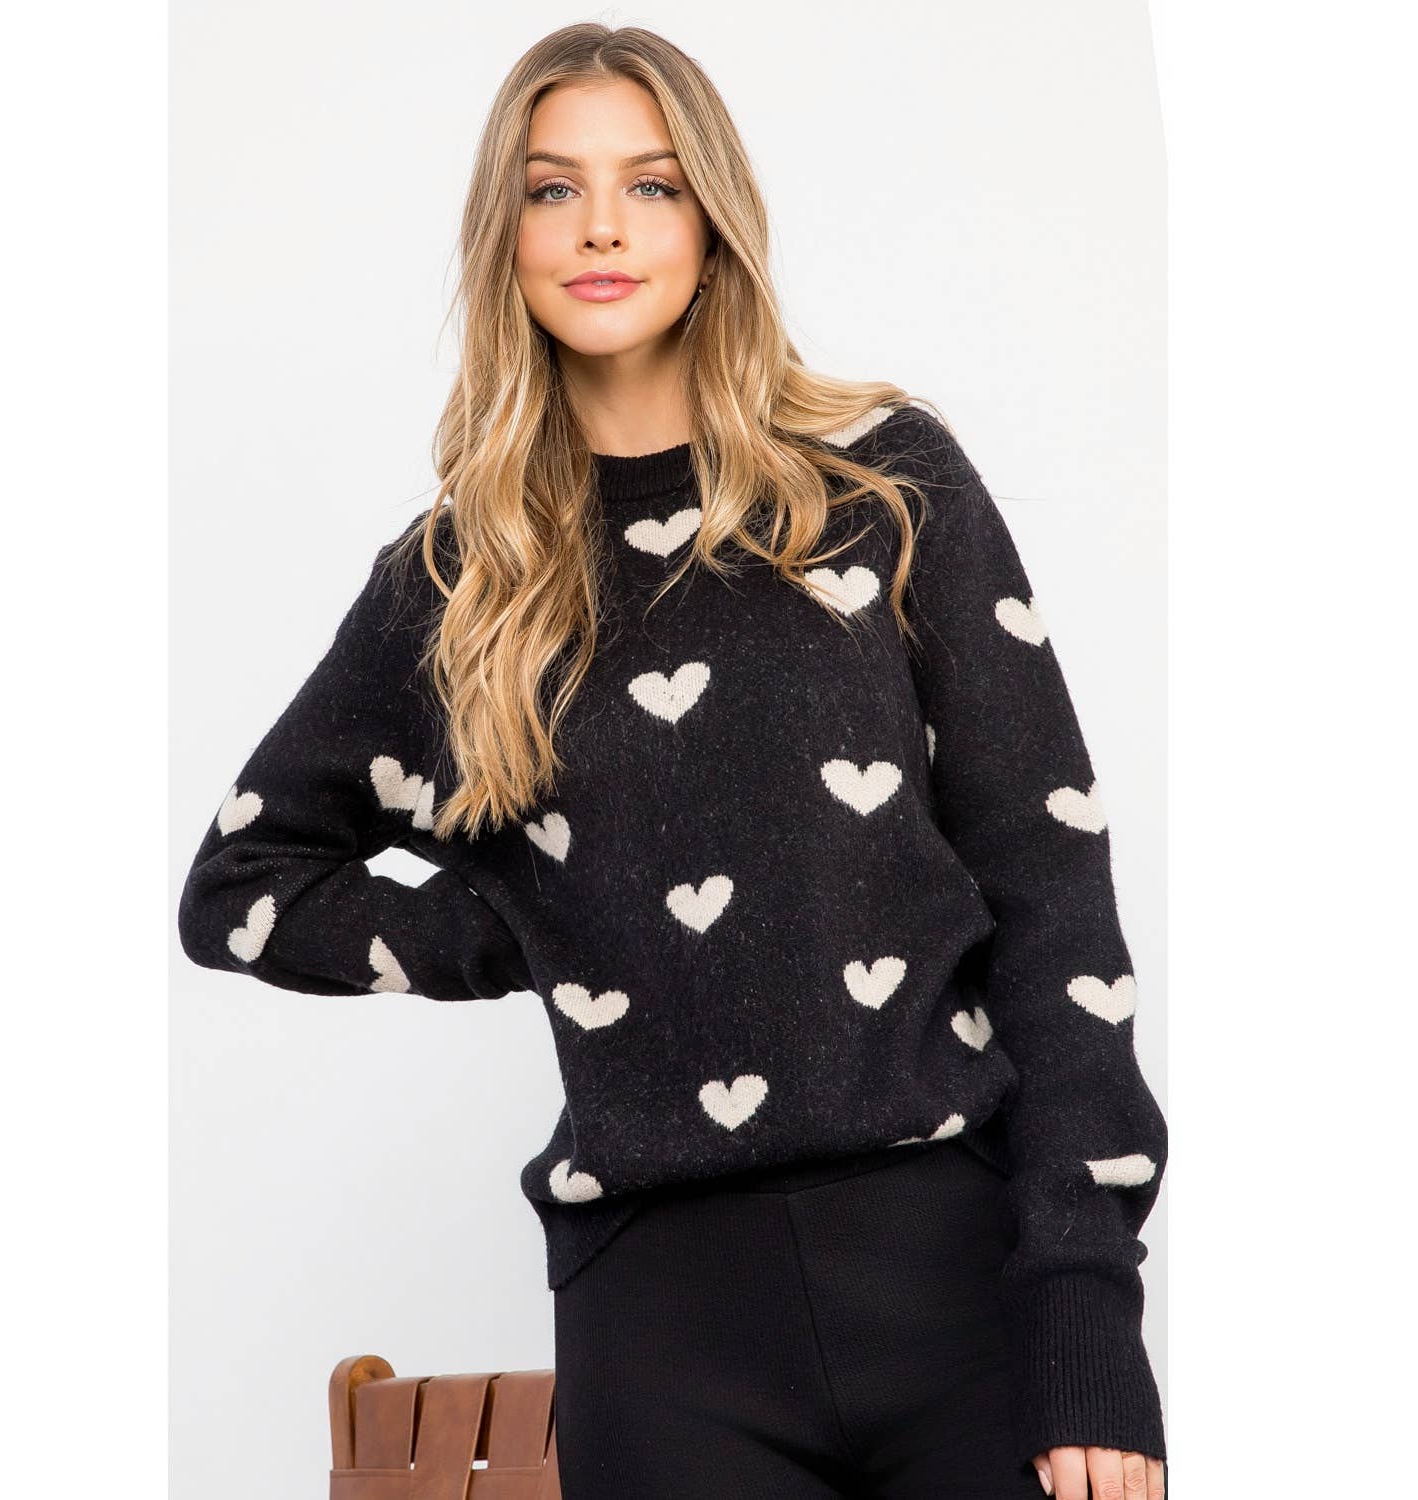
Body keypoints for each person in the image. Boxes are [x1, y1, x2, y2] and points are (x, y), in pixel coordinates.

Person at [176, 22, 1168, 1500]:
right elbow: (240, 889)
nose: (601, 227)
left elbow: (1052, 894)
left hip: (954, 1281)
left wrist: (1088, 1314)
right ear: (505, 235)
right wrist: (531, 922)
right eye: (552, 188)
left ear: (713, 223)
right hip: (661, 1326)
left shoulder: (883, 489)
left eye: (650, 184)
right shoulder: (456, 578)